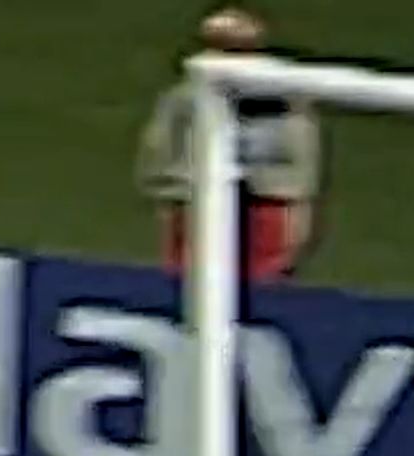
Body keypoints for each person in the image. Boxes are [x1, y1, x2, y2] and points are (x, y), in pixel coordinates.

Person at [138, 10, 322, 283]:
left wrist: (297, 216)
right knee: (190, 290)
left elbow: (299, 171)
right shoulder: (185, 98)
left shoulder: (285, 101)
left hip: (264, 209)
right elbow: (162, 161)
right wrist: (173, 201)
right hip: (198, 204)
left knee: (262, 294)